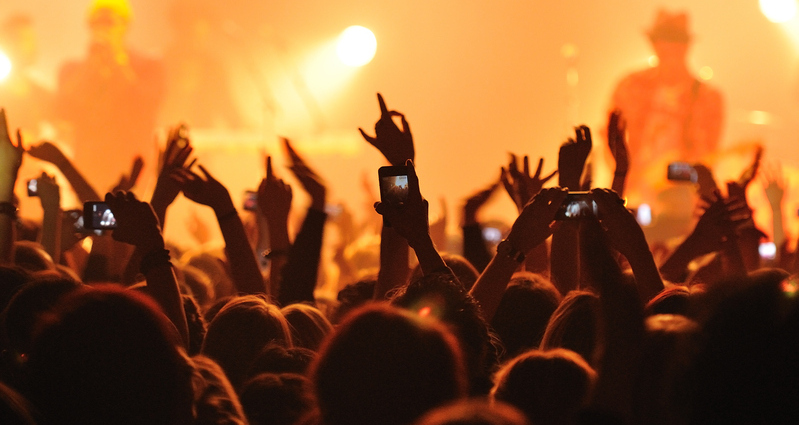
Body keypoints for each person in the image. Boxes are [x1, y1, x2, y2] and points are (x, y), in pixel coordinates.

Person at [609, 9, 723, 207]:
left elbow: (707, 156)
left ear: (686, 47)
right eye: (664, 41)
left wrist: (673, 179)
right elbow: (608, 136)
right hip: (633, 192)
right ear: (654, 44)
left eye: (675, 42)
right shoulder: (630, 86)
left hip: (681, 202)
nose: (669, 49)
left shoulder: (707, 98)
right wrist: (625, 175)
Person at [54, 0, 164, 190]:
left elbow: (146, 104)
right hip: (89, 167)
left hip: (133, 167)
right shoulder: (73, 69)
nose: (102, 30)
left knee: (131, 218)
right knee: (90, 217)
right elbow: (63, 108)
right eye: (96, 24)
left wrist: (117, 64)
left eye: (109, 23)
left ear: (125, 26)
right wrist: (89, 67)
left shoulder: (149, 67)